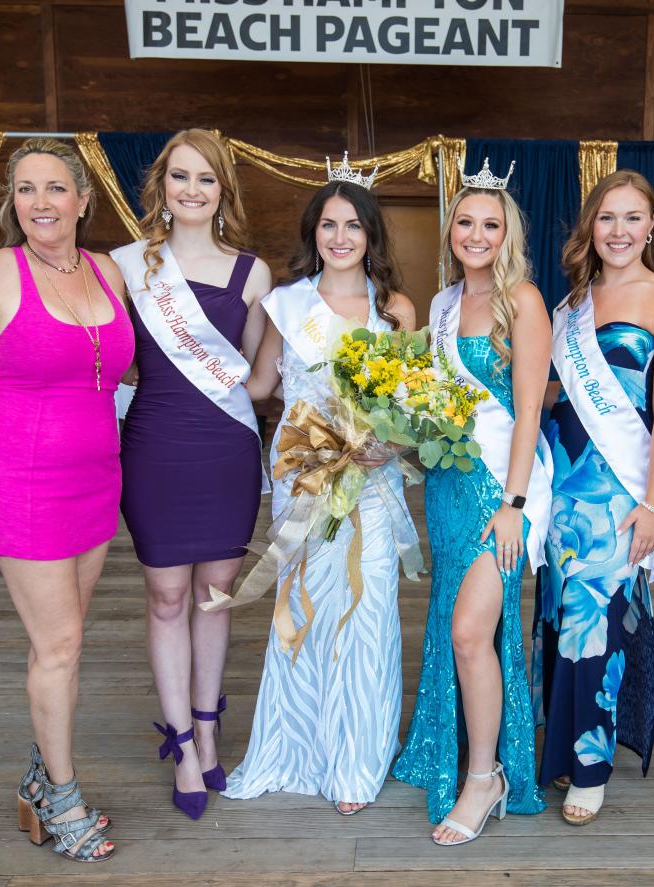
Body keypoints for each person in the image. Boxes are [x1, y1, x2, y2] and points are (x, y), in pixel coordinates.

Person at [0, 138, 133, 863]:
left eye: (55, 188)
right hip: (20, 477)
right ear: (11, 201)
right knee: (59, 644)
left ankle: (36, 777)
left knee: (65, 639)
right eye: (26, 189)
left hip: (96, 479)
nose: (41, 202)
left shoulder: (107, 270)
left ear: (84, 200)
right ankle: (61, 793)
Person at [225, 158, 417, 814]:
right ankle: (299, 748)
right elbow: (256, 387)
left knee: (365, 613)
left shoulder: (394, 309)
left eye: (353, 225)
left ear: (371, 235)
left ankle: (356, 761)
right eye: (329, 224)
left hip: (369, 483)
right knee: (304, 609)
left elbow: (407, 406)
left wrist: (390, 440)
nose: (340, 236)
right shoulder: (286, 303)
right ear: (314, 232)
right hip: (305, 478)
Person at [109, 129, 272, 819]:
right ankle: (179, 743)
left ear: (223, 191)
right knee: (168, 595)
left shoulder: (254, 274)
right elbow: (113, 362)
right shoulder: (126, 267)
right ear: (162, 187)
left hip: (227, 446)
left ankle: (209, 732)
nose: (192, 190)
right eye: (180, 177)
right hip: (155, 446)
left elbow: (259, 381)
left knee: (215, 592)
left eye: (206, 179)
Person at [393, 158, 552, 845]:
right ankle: (456, 745)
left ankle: (484, 776)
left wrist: (515, 501)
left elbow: (526, 414)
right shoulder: (443, 305)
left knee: (470, 630)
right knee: (459, 624)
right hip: (452, 483)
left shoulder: (527, 303)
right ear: (451, 229)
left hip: (505, 485)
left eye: (491, 223)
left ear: (507, 232)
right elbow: (439, 400)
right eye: (466, 222)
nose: (477, 233)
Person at [535, 170, 654, 826]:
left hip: (622, 492)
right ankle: (565, 746)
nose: (620, 231)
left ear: (651, 226)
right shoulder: (569, 303)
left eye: (633, 218)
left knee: (597, 621)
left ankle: (593, 764)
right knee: (558, 614)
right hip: (562, 483)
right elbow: (549, 393)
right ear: (589, 229)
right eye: (607, 218)